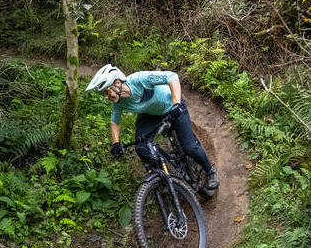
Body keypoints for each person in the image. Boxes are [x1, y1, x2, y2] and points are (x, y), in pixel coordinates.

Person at [85, 64, 220, 189]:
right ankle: (163, 179)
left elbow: (172, 76)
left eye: (107, 92)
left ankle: (210, 171)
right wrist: (116, 143)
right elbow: (115, 120)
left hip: (172, 106)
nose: (106, 98)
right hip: (150, 115)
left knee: (189, 147)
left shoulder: (139, 79)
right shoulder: (118, 102)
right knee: (141, 148)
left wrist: (176, 103)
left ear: (117, 83)